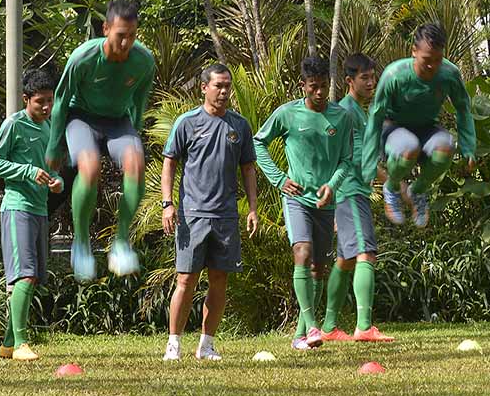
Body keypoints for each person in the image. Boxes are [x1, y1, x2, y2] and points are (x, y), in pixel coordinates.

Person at [45, 0, 156, 281]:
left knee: (136, 163)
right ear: (106, 29)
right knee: (90, 167)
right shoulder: (83, 58)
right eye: (121, 35)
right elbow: (59, 101)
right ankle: (81, 243)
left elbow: (139, 102)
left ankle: (121, 242)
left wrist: (135, 136)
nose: (126, 42)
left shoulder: (143, 61)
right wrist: (54, 144)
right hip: (81, 117)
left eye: (132, 36)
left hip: (118, 121)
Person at [161, 64, 259, 361]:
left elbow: (248, 169)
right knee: (185, 280)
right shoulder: (187, 123)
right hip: (192, 215)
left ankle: (206, 345)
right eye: (218, 85)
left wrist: (252, 208)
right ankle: (173, 344)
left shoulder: (239, 126)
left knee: (219, 280)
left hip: (226, 216)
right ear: (204, 87)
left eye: (227, 86)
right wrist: (167, 204)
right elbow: (169, 162)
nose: (224, 91)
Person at [254, 56, 353, 351]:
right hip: (296, 199)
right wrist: (279, 179)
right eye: (314, 87)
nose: (320, 93)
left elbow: (347, 161)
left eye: (324, 87)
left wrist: (332, 186)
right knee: (302, 251)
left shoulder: (342, 117)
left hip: (325, 203)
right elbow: (258, 143)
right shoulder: (287, 114)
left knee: (318, 269)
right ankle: (312, 326)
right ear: (303, 87)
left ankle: (300, 335)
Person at [362, 23, 476, 228]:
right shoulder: (394, 74)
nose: (432, 66)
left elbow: (463, 108)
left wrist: (468, 148)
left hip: (427, 128)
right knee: (408, 146)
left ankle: (418, 190)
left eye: (438, 60)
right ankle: (392, 186)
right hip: (393, 128)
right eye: (427, 60)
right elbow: (375, 117)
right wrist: (369, 163)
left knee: (446, 146)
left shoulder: (449, 74)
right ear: (414, 51)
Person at [0, 69, 64, 361]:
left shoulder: (50, 127)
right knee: (25, 275)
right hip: (17, 207)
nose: (46, 107)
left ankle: (8, 343)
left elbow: (54, 170)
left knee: (32, 279)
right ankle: (21, 344)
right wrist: (27, 172)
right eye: (40, 102)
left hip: (40, 210)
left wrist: (58, 182)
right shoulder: (13, 124)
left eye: (50, 102)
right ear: (26, 99)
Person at [320, 53, 394, 343]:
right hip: (349, 191)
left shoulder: (359, 112)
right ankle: (364, 326)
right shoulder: (346, 112)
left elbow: (365, 158)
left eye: (372, 77)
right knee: (366, 253)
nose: (371, 82)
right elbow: (340, 159)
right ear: (349, 81)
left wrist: (393, 183)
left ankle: (328, 327)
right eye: (364, 77)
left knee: (346, 260)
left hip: (354, 191)